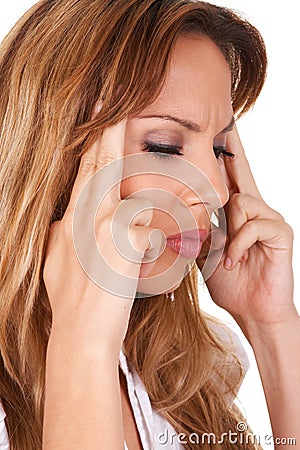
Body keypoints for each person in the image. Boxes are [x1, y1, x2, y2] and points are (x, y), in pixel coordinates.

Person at [0, 0, 298, 449]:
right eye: (165, 146)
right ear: (55, 156)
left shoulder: (181, 367)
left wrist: (272, 326)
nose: (217, 192)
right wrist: (82, 346)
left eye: (219, 149)